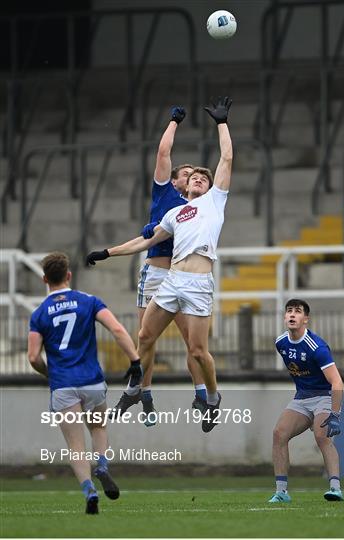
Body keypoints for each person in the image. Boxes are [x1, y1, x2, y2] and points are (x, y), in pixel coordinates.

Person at [87, 96, 233, 433]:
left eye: (202, 177)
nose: (197, 178)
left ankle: (212, 397)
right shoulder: (174, 212)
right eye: (194, 176)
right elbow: (145, 241)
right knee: (144, 335)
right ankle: (138, 390)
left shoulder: (215, 201)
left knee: (198, 351)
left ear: (211, 186)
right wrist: (107, 253)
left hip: (198, 284)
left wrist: (222, 123)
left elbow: (226, 157)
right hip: (171, 281)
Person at [27, 251, 142, 514]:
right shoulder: (89, 301)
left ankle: (89, 490)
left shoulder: (40, 313)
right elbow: (117, 330)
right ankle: (102, 464)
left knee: (75, 446)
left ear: (45, 279)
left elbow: (33, 357)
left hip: (63, 385)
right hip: (92, 381)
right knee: (99, 429)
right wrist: (134, 360)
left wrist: (49, 373)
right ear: (68, 275)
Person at [269, 298, 344, 503]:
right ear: (285, 317)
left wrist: (335, 414)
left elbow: (337, 382)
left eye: (298, 311)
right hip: (302, 398)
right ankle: (281, 492)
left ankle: (335, 489)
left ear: (306, 319)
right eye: (289, 311)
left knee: (322, 437)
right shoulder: (280, 342)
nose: (292, 314)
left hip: (324, 396)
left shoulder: (316, 347)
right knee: (279, 434)